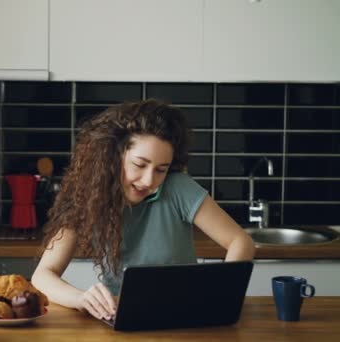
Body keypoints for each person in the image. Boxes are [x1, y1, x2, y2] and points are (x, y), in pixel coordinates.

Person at [31, 99, 255, 321]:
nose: (149, 180)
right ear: (114, 157)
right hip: (120, 318)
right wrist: (80, 299)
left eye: (161, 169)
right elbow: (43, 275)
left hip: (185, 317)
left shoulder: (178, 188)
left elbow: (240, 241)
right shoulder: (87, 200)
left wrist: (220, 296)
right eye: (139, 165)